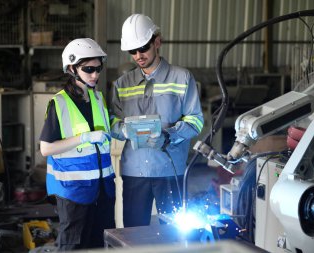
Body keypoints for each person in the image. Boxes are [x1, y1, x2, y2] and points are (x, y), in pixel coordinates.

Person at [110, 14, 204, 227]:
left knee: (175, 233)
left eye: (143, 48)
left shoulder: (182, 78)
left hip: (169, 169)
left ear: (157, 41)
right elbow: (112, 122)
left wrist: (169, 136)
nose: (138, 55)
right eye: (132, 51)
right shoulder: (122, 84)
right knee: (134, 234)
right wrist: (125, 131)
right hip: (134, 171)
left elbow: (196, 121)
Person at [40, 38, 115, 250]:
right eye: (89, 69)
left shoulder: (98, 98)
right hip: (74, 192)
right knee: (73, 245)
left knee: (101, 243)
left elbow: (106, 135)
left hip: (103, 189)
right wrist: (84, 138)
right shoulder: (59, 103)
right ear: (72, 68)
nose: (95, 75)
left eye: (98, 68)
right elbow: (46, 148)